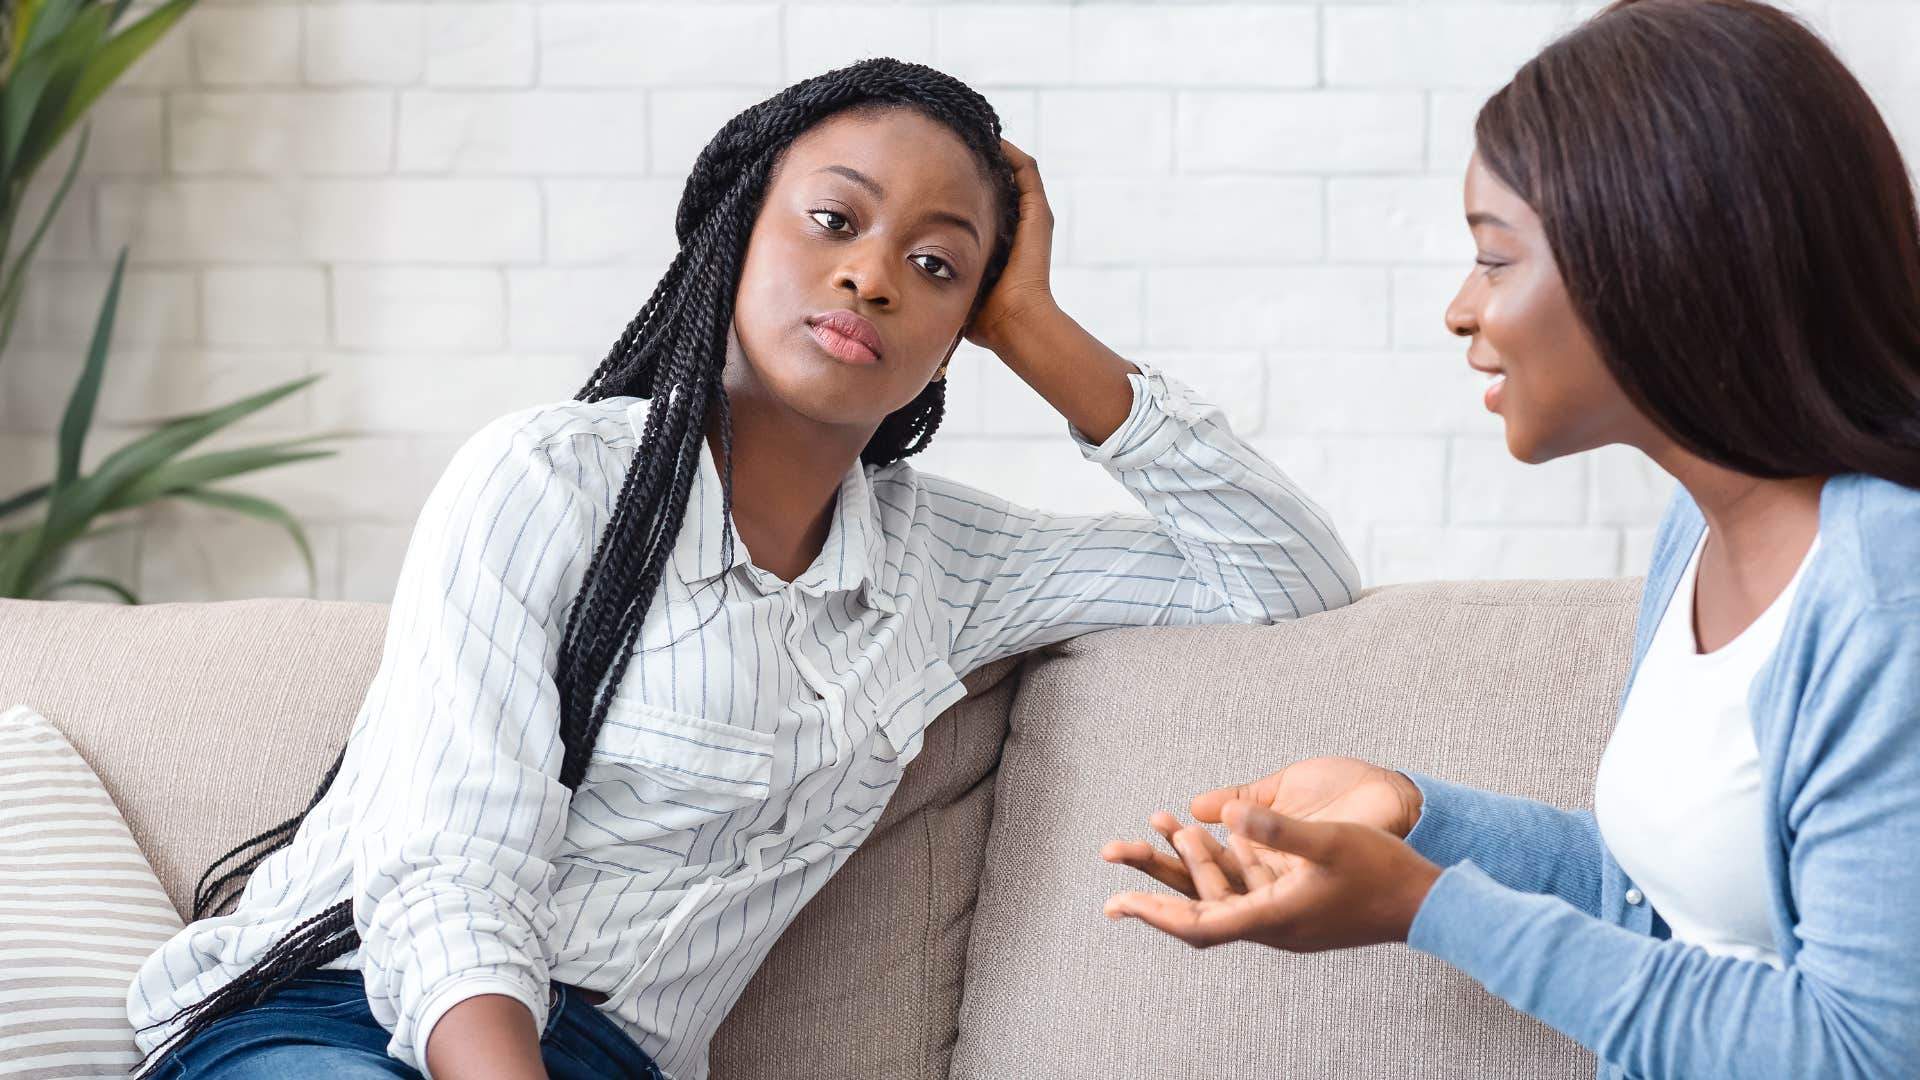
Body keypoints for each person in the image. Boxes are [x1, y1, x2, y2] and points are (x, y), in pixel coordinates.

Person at [130, 58, 1359, 1080]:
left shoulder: (942, 568)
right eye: (835, 221)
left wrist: (1032, 324)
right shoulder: (548, 480)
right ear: (737, 230)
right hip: (350, 1018)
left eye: (938, 267)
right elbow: (450, 871)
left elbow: (1281, 575)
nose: (873, 276)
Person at [1102, 2, 1920, 1077]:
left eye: (1494, 260)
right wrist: (1416, 816)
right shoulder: (1703, 532)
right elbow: (1659, 918)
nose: (1458, 309)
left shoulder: (1884, 598)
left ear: (1658, 261)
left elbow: (1863, 1050)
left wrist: (1429, 909)